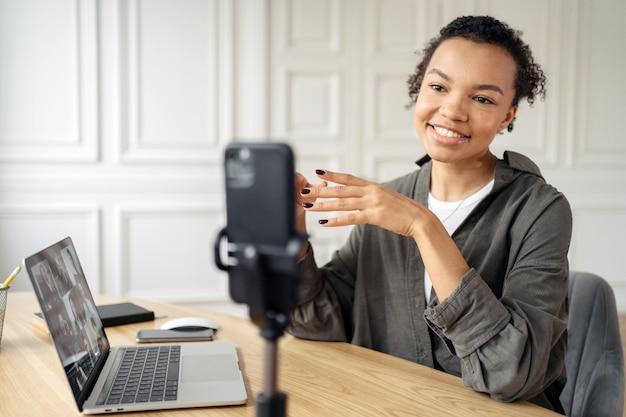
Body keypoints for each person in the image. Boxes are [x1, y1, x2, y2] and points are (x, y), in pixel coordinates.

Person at [288, 15, 571, 413]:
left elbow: (512, 372)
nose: (452, 111)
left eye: (483, 98)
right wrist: (292, 239)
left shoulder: (541, 209)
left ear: (508, 115)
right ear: (418, 90)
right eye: (438, 87)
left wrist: (423, 226)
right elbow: (318, 322)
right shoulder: (391, 198)